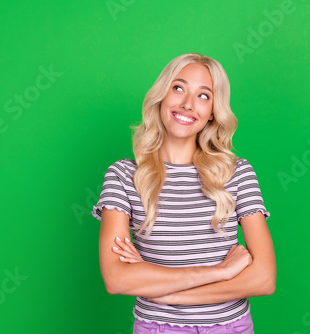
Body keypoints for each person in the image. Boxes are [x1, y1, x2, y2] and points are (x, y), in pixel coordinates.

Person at [92, 52, 276, 334]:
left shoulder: (237, 172)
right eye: (178, 88)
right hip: (157, 328)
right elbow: (117, 278)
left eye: (203, 95)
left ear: (214, 111)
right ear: (161, 96)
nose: (188, 104)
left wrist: (167, 293)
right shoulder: (123, 176)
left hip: (231, 327)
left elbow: (263, 279)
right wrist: (221, 272)